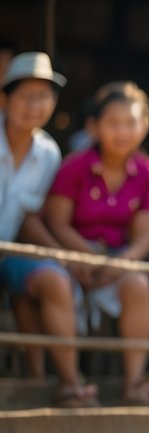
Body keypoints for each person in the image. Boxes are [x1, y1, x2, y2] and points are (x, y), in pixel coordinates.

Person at [45, 81, 149, 406]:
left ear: (145, 124)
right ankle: (70, 384)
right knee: (57, 282)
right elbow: (56, 223)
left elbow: (146, 235)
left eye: (131, 122)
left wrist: (121, 262)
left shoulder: (146, 172)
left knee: (138, 283)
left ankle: (134, 384)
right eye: (112, 123)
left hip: (117, 261)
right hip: (70, 256)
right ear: (94, 126)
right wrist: (87, 255)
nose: (122, 131)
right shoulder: (75, 166)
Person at [0, 52, 96, 407]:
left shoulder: (48, 153)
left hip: (11, 254)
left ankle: (69, 384)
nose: (35, 105)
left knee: (54, 278)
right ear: (4, 99)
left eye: (44, 97)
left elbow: (28, 217)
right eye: (26, 96)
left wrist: (61, 255)